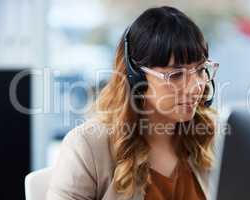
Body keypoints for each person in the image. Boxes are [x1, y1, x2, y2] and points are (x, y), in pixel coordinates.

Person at [46, 5, 220, 200]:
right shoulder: (87, 146)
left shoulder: (212, 138)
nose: (196, 87)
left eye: (199, 70)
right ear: (136, 77)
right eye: (176, 74)